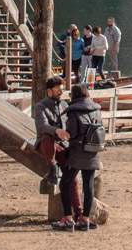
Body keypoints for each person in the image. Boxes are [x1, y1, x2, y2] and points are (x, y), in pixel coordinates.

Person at [60, 83, 104, 231]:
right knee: (88, 185)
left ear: (74, 95)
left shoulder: (74, 111)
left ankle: (67, 218)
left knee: (65, 183)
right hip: (93, 151)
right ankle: (85, 219)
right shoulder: (96, 109)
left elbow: (71, 133)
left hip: (77, 153)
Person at [34, 75, 71, 229]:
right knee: (48, 139)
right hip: (47, 144)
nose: (60, 92)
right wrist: (57, 130)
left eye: (61, 89)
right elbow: (42, 127)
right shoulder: (40, 106)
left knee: (71, 178)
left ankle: (73, 215)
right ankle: (51, 167)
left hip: (63, 145)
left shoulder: (64, 105)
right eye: (57, 90)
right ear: (49, 91)